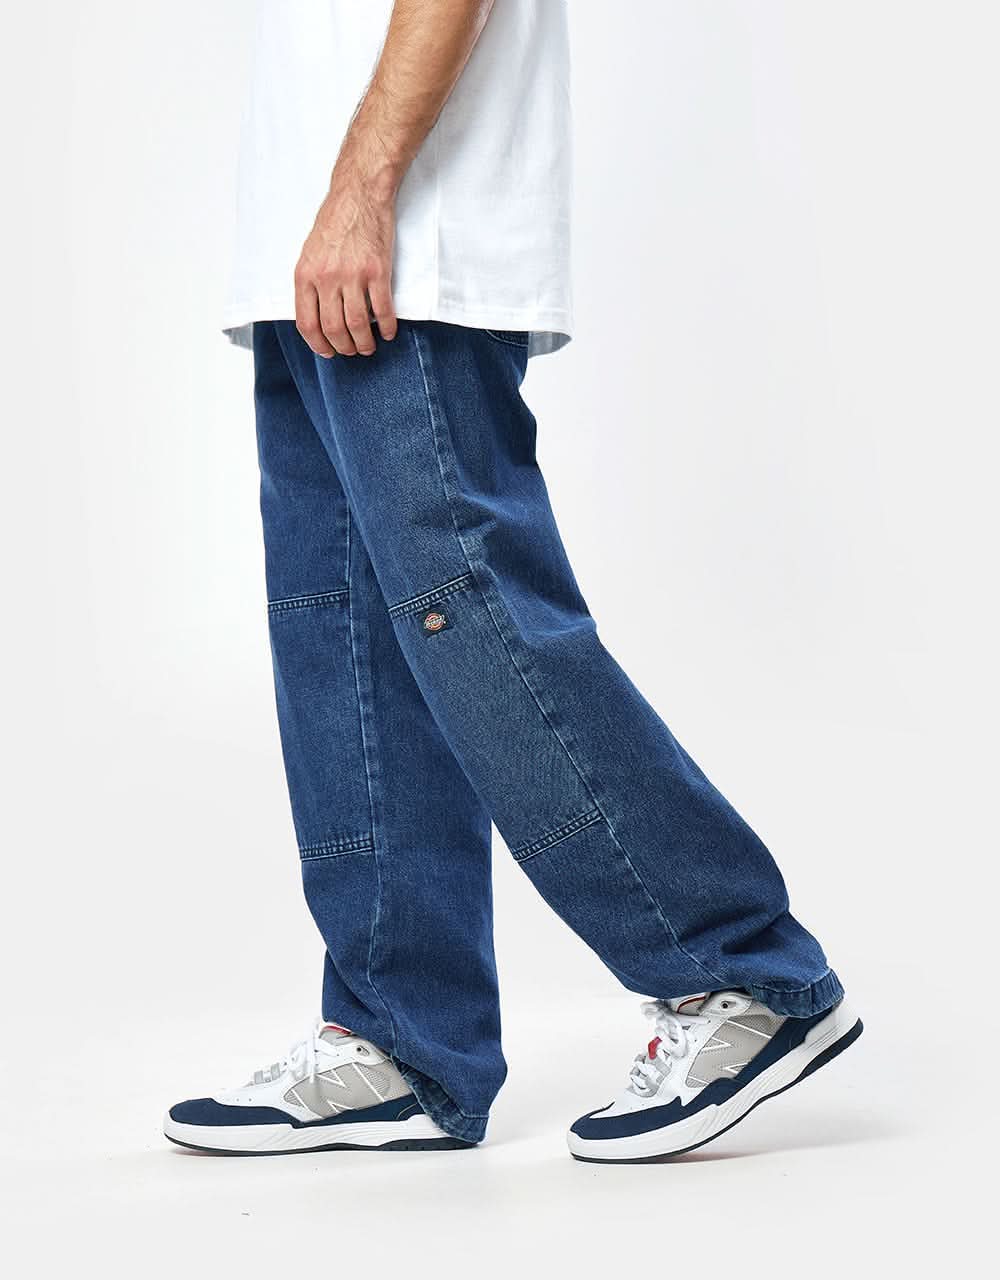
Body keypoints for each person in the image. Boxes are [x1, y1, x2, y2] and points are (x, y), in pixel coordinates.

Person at [164, 0, 860, 1164]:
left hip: (407, 237)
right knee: (345, 632)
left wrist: (361, 189)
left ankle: (741, 971)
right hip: (307, 249)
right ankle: (403, 1039)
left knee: (472, 615)